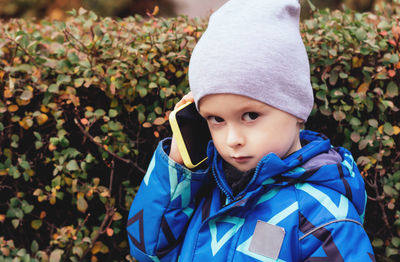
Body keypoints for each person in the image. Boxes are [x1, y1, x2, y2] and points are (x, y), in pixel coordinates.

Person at [127, 0, 376, 261]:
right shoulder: (210, 189)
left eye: (250, 116)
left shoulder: (323, 215)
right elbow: (147, 252)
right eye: (216, 119)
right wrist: (177, 168)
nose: (232, 140)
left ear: (296, 109)